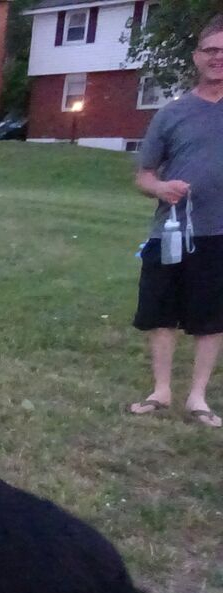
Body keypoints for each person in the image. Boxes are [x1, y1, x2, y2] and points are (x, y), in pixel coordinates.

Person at [128, 15, 223, 428]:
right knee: (161, 314)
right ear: (197, 57)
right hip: (171, 232)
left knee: (212, 320)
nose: (217, 58)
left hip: (219, 234)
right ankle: (161, 391)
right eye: (210, 50)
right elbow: (143, 176)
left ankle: (198, 398)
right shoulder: (172, 114)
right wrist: (161, 188)